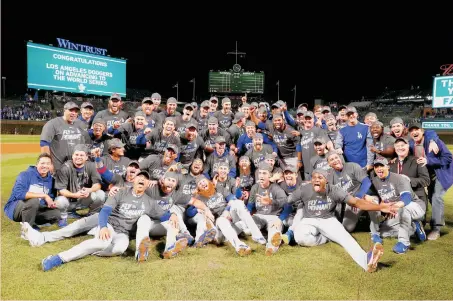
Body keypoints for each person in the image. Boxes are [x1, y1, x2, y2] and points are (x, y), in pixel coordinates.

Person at [38, 170, 180, 271]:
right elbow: (105, 211)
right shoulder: (122, 193)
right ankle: (58, 258)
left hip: (123, 233)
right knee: (101, 241)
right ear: (133, 180)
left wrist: (172, 215)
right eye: (139, 177)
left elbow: (162, 215)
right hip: (111, 225)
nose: (142, 179)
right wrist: (104, 226)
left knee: (120, 248)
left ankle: (91, 250)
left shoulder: (149, 201)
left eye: (145, 178)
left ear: (148, 183)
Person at [289, 169, 396, 272]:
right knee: (300, 238)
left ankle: (366, 260)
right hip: (309, 219)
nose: (316, 179)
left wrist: (380, 207)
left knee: (345, 238)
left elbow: (355, 202)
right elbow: (287, 200)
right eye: (314, 177)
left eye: (320, 177)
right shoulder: (305, 189)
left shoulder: (334, 190)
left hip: (328, 219)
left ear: (326, 180)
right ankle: (325, 238)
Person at [4, 153, 62, 228]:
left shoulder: (52, 180)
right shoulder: (25, 175)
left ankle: (32, 221)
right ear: (37, 164)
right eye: (42, 163)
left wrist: (51, 204)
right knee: (34, 200)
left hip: (36, 209)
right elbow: (19, 194)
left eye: (48, 163)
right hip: (16, 208)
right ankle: (27, 229)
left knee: (56, 213)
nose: (45, 166)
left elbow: (51, 197)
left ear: (51, 166)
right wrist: (44, 195)